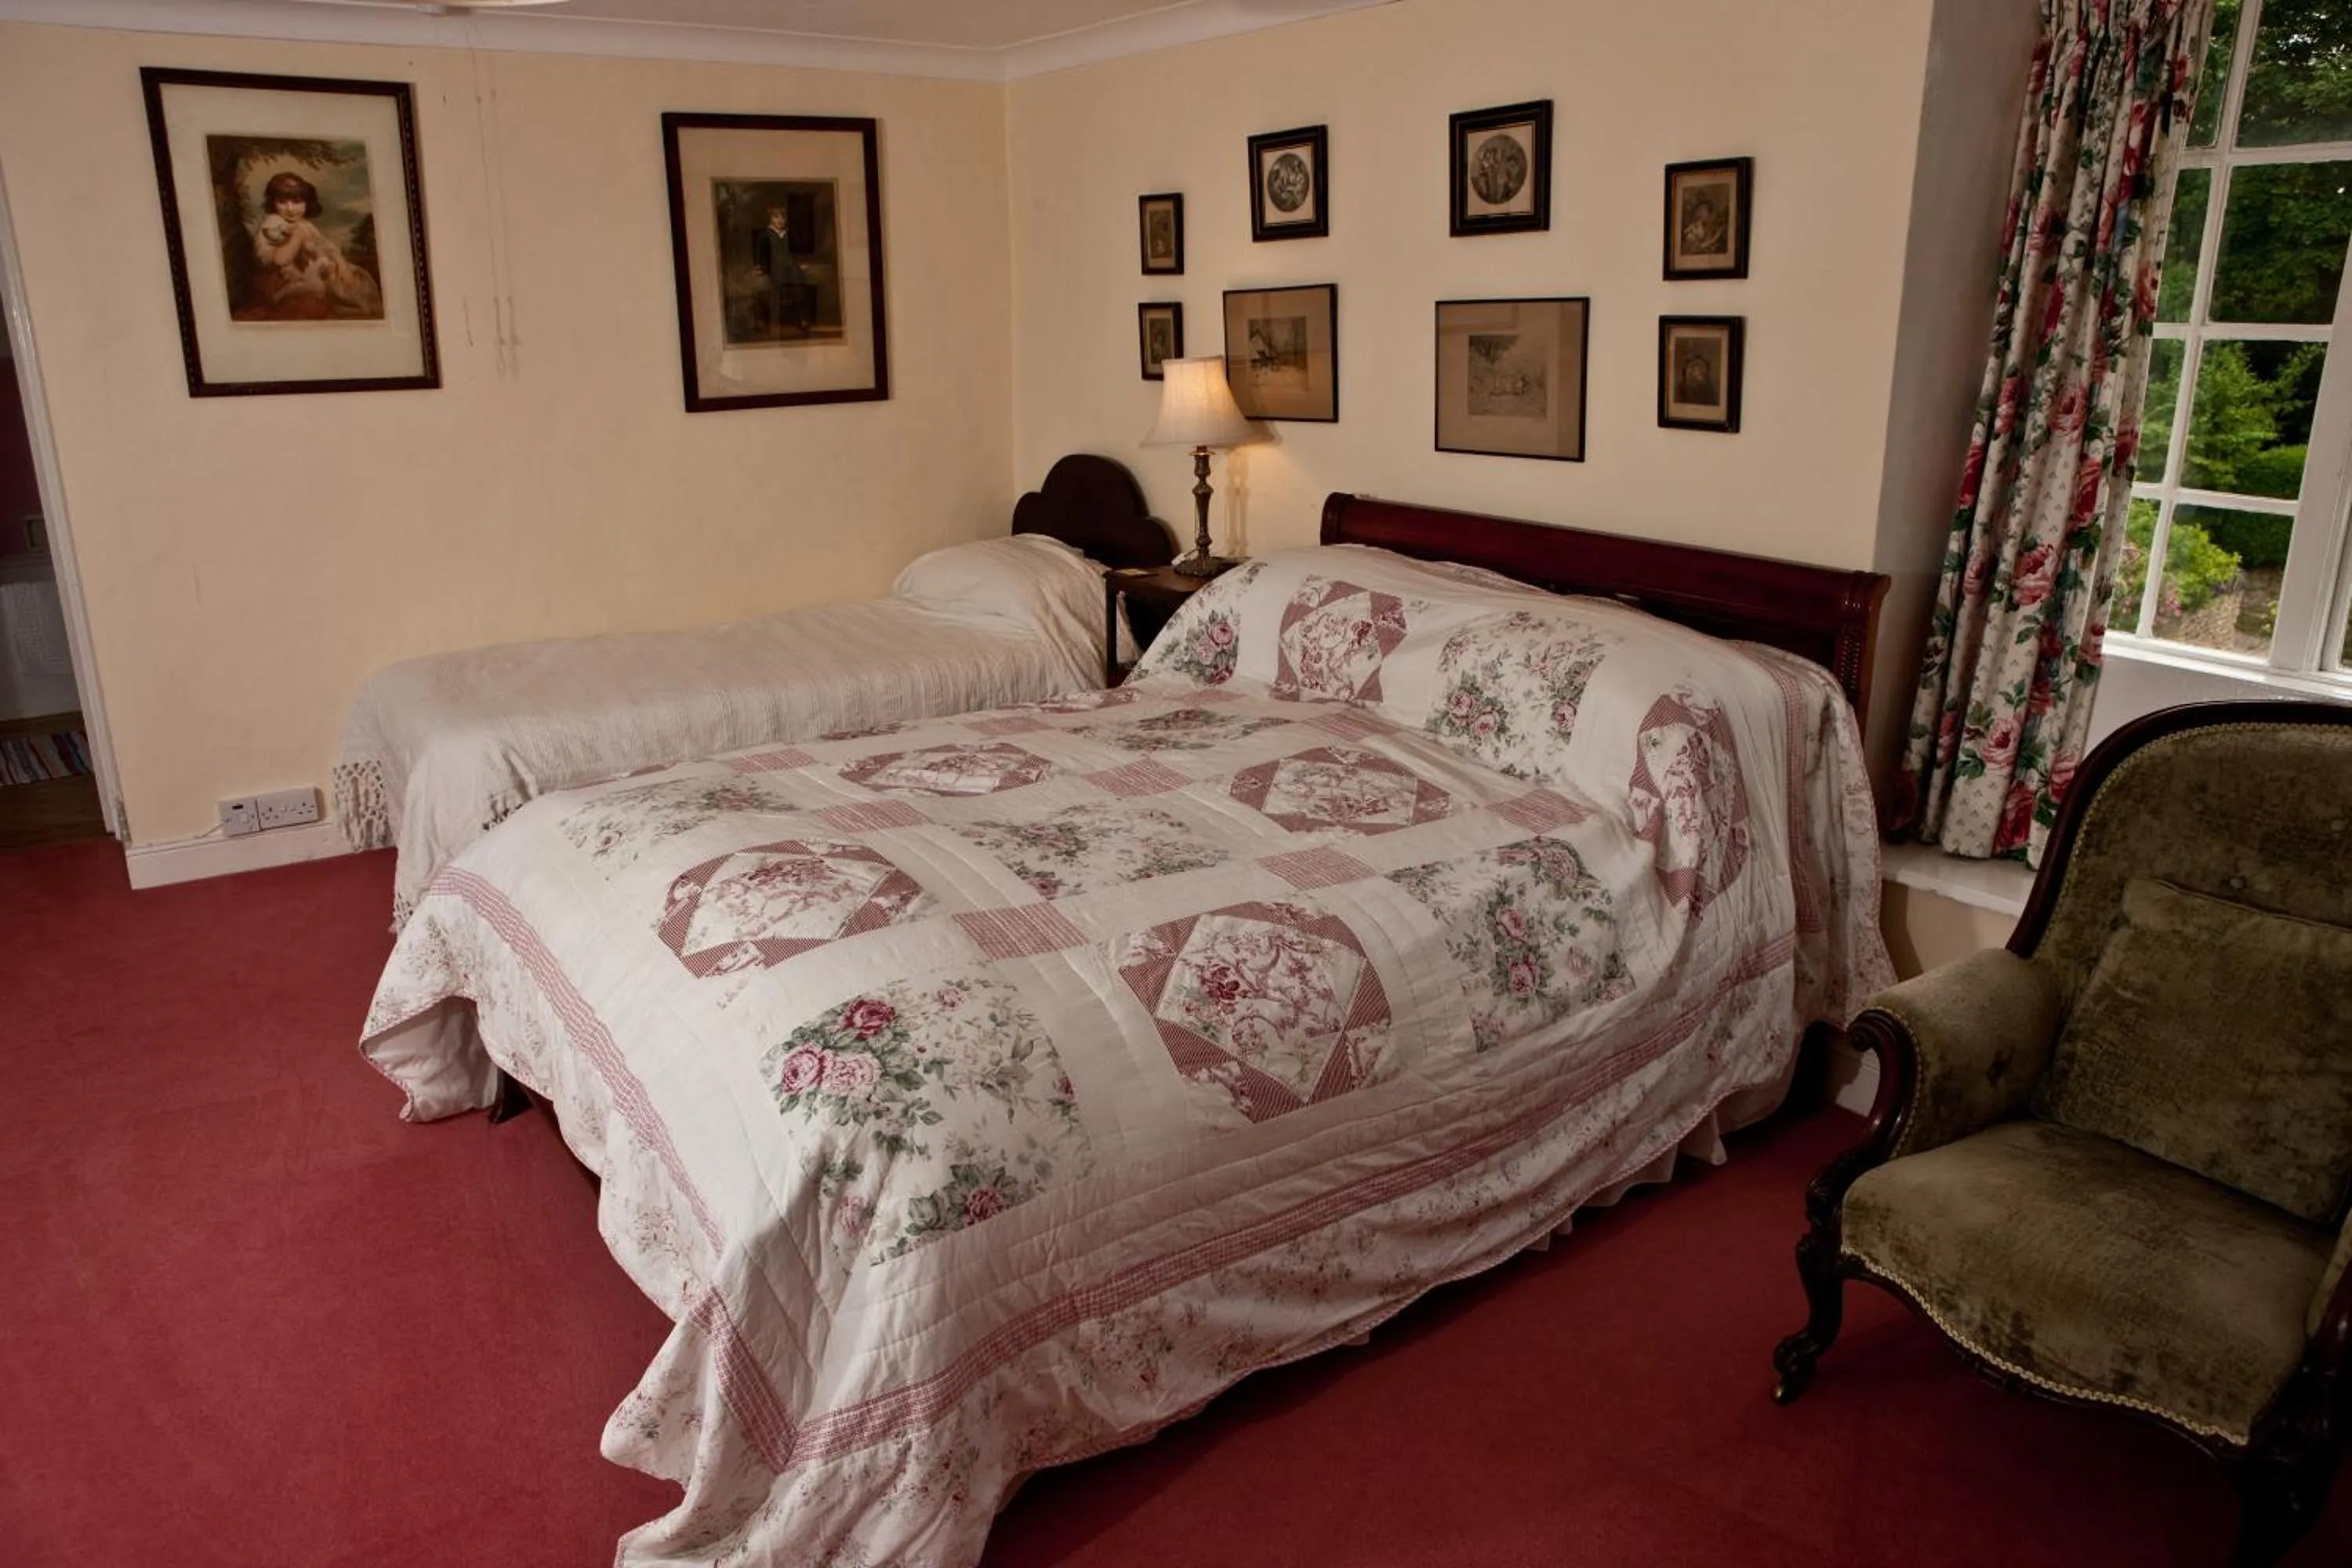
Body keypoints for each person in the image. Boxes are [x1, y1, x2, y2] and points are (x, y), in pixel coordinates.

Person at [248, 171, 379, 319]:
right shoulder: (274, 224)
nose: (290, 209)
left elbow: (327, 246)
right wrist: (297, 236)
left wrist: (341, 265)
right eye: (282, 202)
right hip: (286, 281)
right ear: (273, 203)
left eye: (297, 202)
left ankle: (358, 306)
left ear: (307, 203)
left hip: (316, 274)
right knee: (326, 288)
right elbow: (280, 261)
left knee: (355, 278)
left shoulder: (304, 225)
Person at [751, 206, 815, 335]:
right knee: (775, 290)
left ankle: (804, 320)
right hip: (773, 267)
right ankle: (772, 323)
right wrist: (759, 267)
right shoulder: (765, 235)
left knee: (799, 288)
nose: (780, 220)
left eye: (783, 217)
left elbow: (795, 253)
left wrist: (800, 264)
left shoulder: (789, 234)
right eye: (776, 217)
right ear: (770, 219)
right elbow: (759, 254)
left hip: (791, 267)